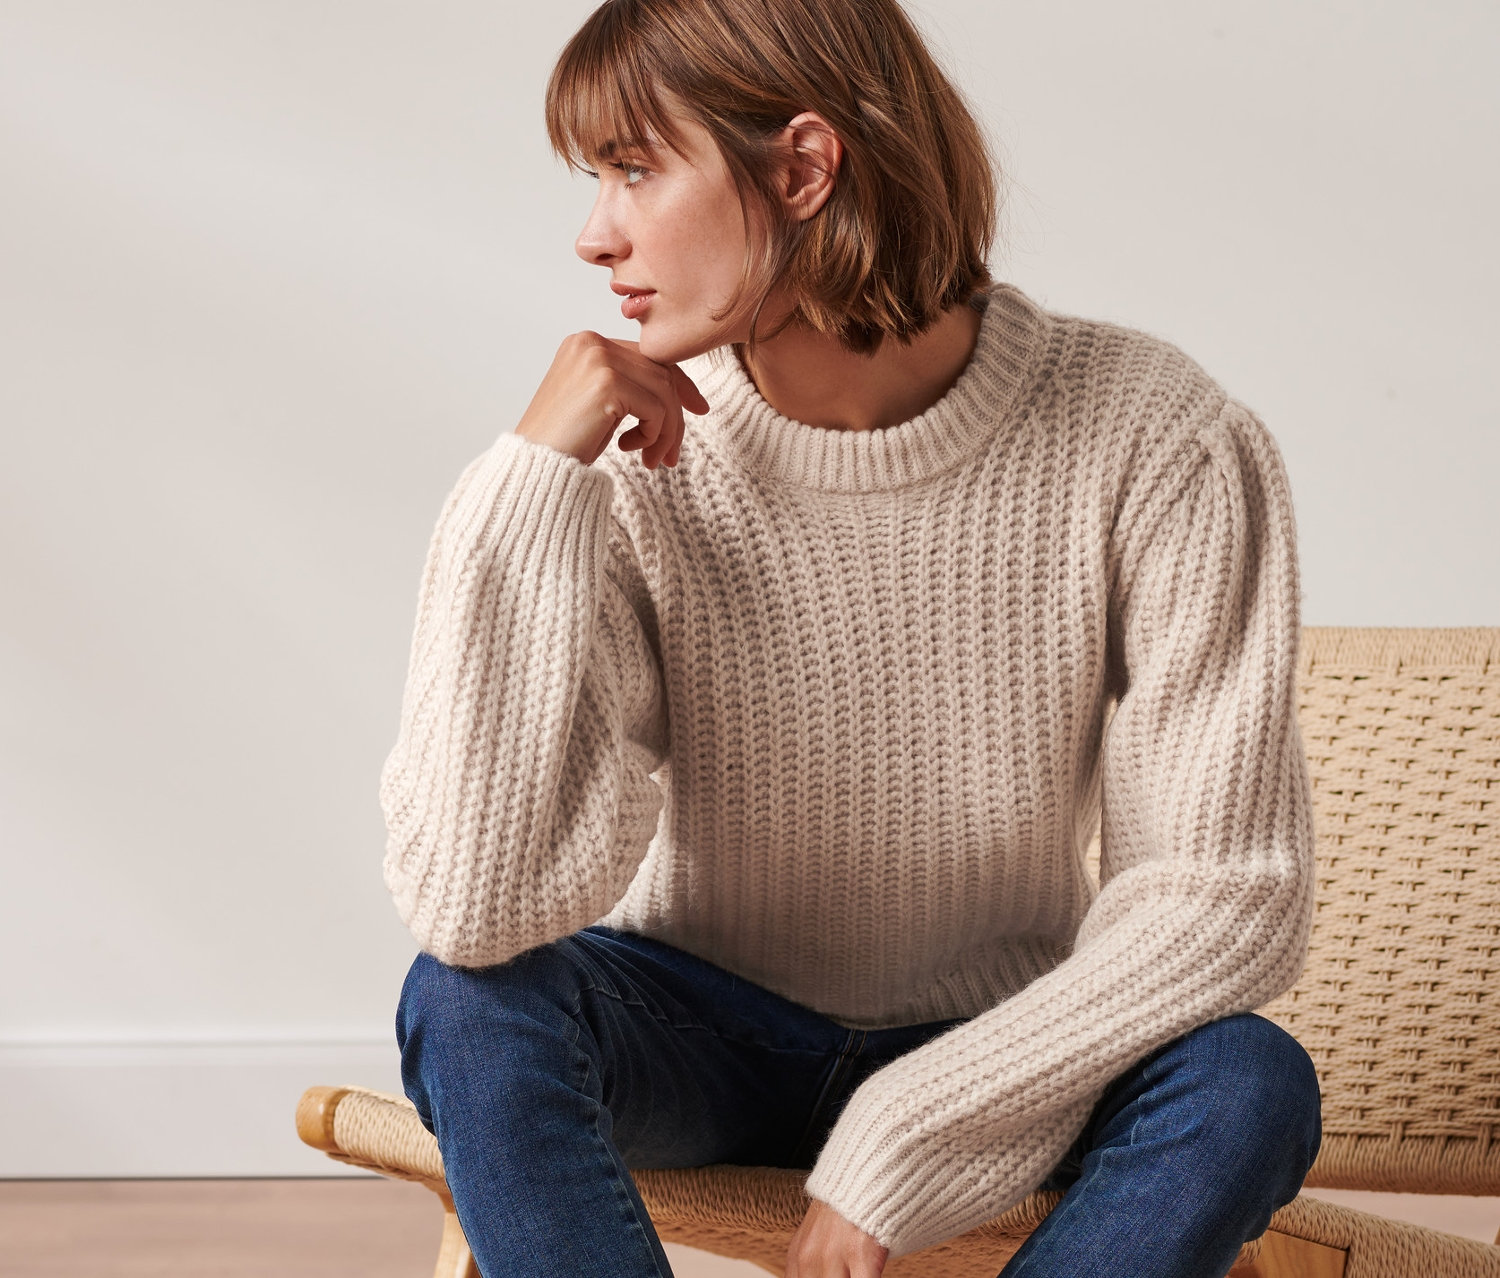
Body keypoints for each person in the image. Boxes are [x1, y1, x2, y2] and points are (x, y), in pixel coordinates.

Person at [384, 0, 1323, 1274]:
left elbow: (1223, 894)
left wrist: (912, 1125)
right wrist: (527, 479)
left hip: (1004, 1048)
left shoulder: (1160, 440)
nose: (594, 235)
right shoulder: (624, 460)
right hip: (697, 1033)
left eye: (636, 169)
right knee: (467, 1001)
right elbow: (474, 908)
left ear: (805, 167)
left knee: (1247, 1081)